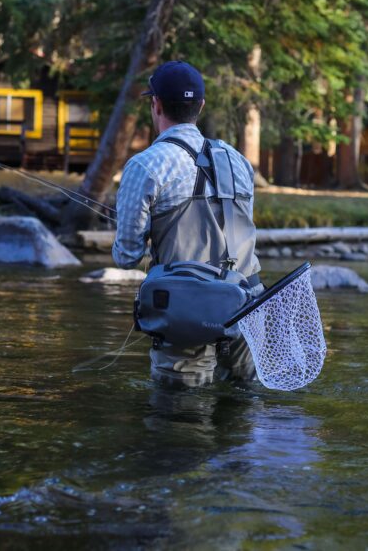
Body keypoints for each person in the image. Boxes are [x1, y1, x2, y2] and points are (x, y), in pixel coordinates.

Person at [112, 61, 262, 388]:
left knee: (179, 422)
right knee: (241, 415)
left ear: (157, 104)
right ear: (201, 106)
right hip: (248, 306)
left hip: (187, 315)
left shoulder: (145, 166)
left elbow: (127, 256)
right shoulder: (239, 161)